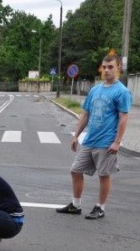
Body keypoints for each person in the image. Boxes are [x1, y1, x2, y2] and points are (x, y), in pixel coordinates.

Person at [56, 53, 131, 220]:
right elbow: (85, 114)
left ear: (118, 67)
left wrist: (117, 142)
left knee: (103, 175)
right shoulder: (95, 90)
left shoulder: (122, 91)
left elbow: (124, 117)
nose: (106, 70)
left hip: (106, 142)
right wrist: (76, 135)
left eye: (110, 67)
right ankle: (75, 205)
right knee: (75, 170)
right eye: (104, 67)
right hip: (90, 140)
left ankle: (100, 207)